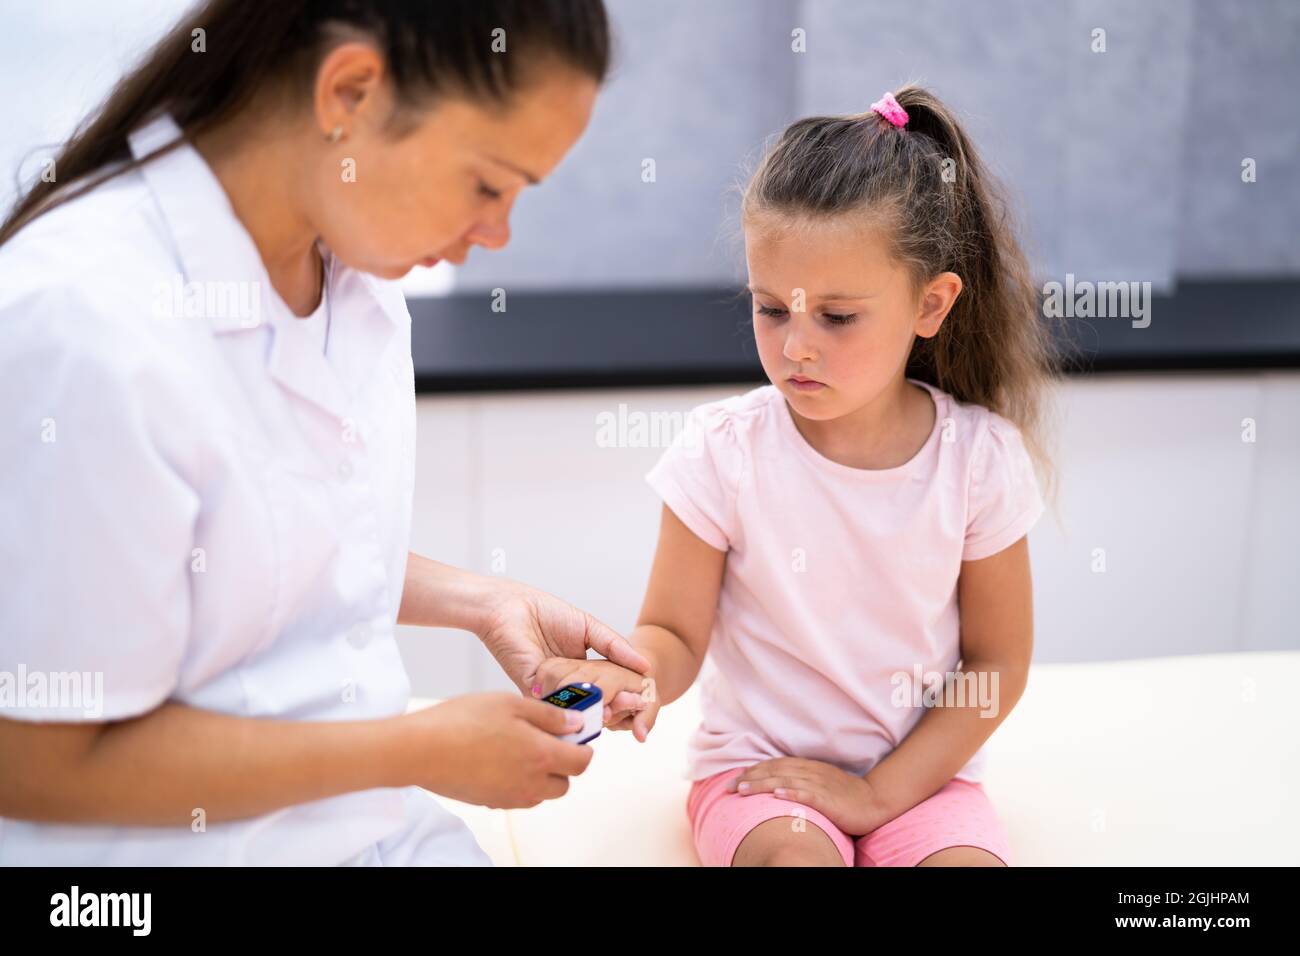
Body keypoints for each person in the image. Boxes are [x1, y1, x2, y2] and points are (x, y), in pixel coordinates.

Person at [0, 0, 650, 866]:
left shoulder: (351, 276)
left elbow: (237, 542)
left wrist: (480, 601)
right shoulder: (83, 324)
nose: (494, 235)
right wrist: (415, 748)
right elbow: (36, 764)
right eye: (489, 184)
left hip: (364, 833)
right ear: (348, 92)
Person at [533, 87, 1058, 866]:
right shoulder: (724, 450)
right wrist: (629, 679)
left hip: (921, 780)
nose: (796, 348)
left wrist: (881, 794)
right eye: (772, 309)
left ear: (932, 303)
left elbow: (996, 664)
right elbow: (674, 633)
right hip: (761, 776)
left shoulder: (978, 459)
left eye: (836, 318)